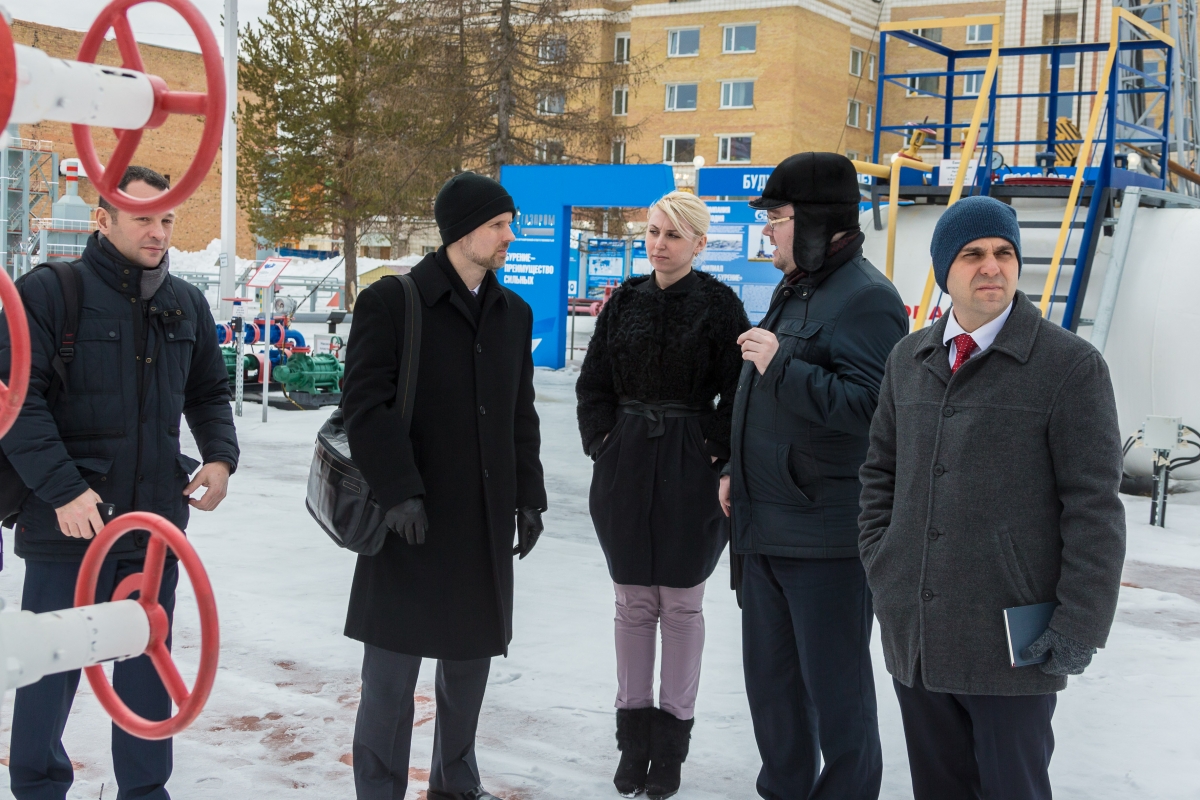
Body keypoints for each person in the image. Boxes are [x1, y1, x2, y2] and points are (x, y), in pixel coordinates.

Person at [858, 195, 1126, 800]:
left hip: (1012, 641)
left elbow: (1095, 507)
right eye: (973, 254)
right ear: (944, 270)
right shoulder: (909, 359)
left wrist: (1080, 623)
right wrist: (884, 561)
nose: (992, 267)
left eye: (1005, 253)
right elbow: (880, 472)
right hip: (919, 633)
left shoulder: (1069, 366)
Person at [0, 166, 238, 800]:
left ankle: (144, 791)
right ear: (103, 219)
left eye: (167, 219)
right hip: (68, 526)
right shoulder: (51, 292)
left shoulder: (185, 302)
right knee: (49, 671)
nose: (158, 232)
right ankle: (37, 789)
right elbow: (15, 402)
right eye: (143, 218)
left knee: (146, 670)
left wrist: (220, 457)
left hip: (152, 529)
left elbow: (209, 391)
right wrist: (62, 489)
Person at [341, 171, 547, 800]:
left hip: (481, 524)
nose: (509, 236)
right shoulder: (393, 302)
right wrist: (398, 490)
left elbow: (520, 414)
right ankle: (379, 791)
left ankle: (456, 785)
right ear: (462, 232)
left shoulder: (513, 314)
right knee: (390, 680)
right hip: (409, 522)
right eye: (498, 225)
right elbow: (365, 406)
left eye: (509, 223)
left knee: (467, 671)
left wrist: (529, 497)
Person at [721, 152, 908, 800]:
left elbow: (874, 410)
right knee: (773, 695)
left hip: (826, 544)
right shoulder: (798, 287)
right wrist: (736, 470)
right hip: (766, 529)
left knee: (838, 700)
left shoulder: (868, 299)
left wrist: (783, 366)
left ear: (814, 222)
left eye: (776, 217)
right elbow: (769, 405)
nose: (766, 230)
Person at [577, 191, 749, 800]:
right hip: (625, 461)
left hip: (689, 463)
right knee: (632, 604)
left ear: (699, 243)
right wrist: (602, 442)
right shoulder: (623, 301)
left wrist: (713, 450)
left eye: (673, 235)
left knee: (679, 605)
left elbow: (740, 389)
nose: (659, 244)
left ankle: (671, 749)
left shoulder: (722, 306)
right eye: (653, 232)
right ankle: (633, 743)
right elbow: (593, 382)